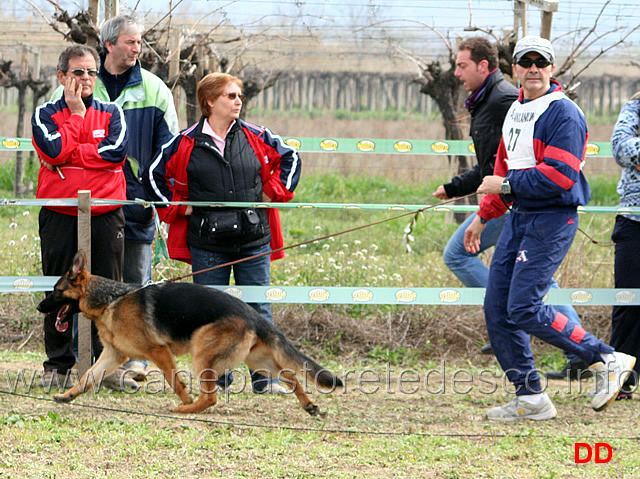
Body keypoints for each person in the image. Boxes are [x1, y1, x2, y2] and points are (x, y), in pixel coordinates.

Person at [463, 35, 635, 421]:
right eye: (526, 62)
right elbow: (503, 169)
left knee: (523, 307)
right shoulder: (516, 112)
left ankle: (606, 358)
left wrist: (503, 187)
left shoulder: (563, 113)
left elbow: (559, 176)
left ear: (552, 69)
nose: (534, 69)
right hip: (521, 216)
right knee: (497, 309)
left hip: (553, 217)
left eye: (542, 62)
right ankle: (531, 399)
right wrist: (483, 215)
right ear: (514, 69)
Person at [434, 36, 588, 380]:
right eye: (526, 63)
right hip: (513, 205)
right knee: (526, 289)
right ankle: (531, 365)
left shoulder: (510, 102)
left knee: (513, 285)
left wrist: (491, 192)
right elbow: (500, 162)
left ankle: (589, 352)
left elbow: (545, 172)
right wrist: (467, 196)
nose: (456, 72)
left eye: (462, 65)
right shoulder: (509, 103)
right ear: (515, 67)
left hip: (538, 209)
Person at [144, 72, 302, 394]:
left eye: (239, 96)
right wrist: (177, 208)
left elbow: (292, 158)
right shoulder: (184, 141)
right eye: (230, 96)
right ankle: (217, 380)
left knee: (258, 310)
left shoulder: (259, 135)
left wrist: (272, 192)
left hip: (253, 240)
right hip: (207, 243)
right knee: (209, 315)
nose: (238, 101)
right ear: (210, 101)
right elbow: (152, 176)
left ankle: (266, 379)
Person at [51, 14, 180, 382]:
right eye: (130, 41)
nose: (138, 47)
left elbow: (168, 149)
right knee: (82, 285)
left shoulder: (155, 89)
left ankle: (136, 358)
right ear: (109, 44)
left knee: (137, 282)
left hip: (135, 205)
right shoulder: (81, 82)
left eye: (140, 41)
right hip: (84, 205)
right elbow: (55, 140)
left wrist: (153, 194)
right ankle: (86, 358)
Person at [32, 45, 130, 388]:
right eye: (78, 72)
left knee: (110, 291)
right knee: (59, 288)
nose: (86, 78)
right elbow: (54, 151)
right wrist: (76, 116)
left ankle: (108, 367)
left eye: (91, 72)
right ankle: (58, 366)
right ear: (62, 77)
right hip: (60, 212)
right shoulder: (44, 113)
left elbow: (115, 154)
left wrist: (73, 155)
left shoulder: (112, 112)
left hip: (106, 212)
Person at [609, 91, 640, 400]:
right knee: (628, 302)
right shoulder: (634, 106)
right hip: (634, 220)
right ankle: (620, 381)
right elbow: (620, 149)